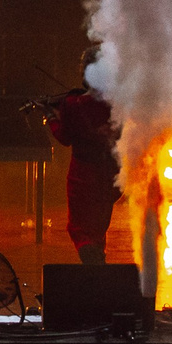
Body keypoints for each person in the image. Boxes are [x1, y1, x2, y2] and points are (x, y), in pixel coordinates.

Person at [46, 66, 120, 263]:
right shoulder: (119, 103)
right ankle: (99, 269)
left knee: (78, 227)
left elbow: (64, 137)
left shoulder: (72, 104)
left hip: (83, 172)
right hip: (111, 173)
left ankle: (92, 265)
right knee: (98, 227)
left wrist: (51, 118)